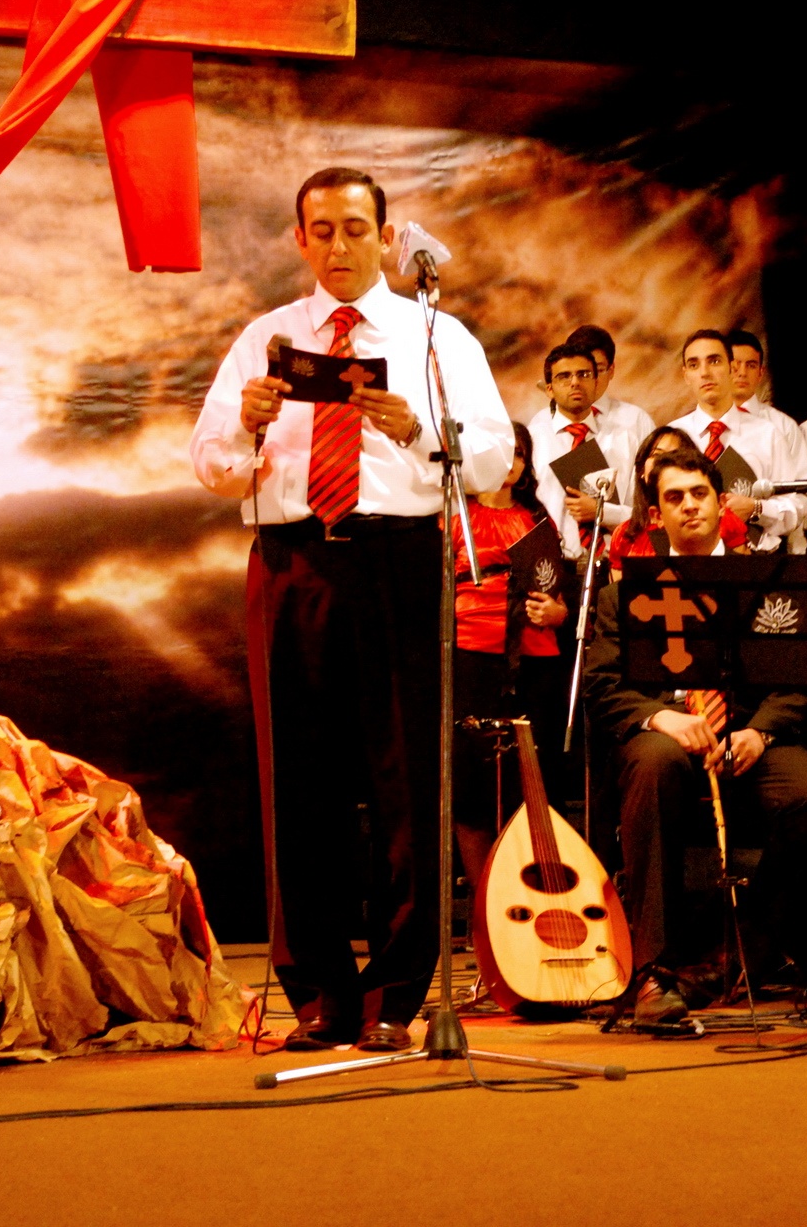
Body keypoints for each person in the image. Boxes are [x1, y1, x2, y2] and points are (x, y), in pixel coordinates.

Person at [189, 167, 513, 1053]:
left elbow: (493, 458)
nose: (339, 245)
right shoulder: (265, 337)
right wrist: (247, 423)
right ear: (300, 239)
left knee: (406, 776)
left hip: (398, 560)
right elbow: (210, 462)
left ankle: (396, 994)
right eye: (322, 229)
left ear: (384, 235)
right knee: (299, 781)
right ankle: (320, 991)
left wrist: (416, 428)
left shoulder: (436, 336)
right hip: (292, 562)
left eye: (356, 227)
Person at [583, 445, 807, 1021]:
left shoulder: (768, 581)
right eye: (674, 497)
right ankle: (653, 971)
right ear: (656, 515)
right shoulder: (623, 594)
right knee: (654, 762)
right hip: (667, 737)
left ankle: (749, 946)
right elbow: (601, 684)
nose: (689, 506)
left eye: (699, 494)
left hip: (745, 739)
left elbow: (802, 678)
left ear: (721, 503)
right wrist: (662, 717)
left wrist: (761, 733)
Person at [452, 421, 569, 893]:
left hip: (536, 659)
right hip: (472, 656)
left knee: (534, 779)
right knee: (473, 783)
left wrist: (557, 613)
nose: (507, 463)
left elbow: (562, 599)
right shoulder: (454, 517)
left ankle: (534, 892)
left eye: (516, 453)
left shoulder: (539, 521)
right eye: (498, 453)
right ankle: (486, 898)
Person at [667, 329, 807, 551]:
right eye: (694, 365)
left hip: (754, 561)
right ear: (686, 375)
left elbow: (797, 505)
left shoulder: (767, 434)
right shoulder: (672, 436)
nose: (705, 373)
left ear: (731, 368)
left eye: (714, 361)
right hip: (687, 561)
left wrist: (757, 509)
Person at [525, 342, 638, 560]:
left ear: (596, 383)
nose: (575, 382)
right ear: (549, 389)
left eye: (584, 374)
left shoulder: (625, 440)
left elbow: (644, 515)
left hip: (613, 563)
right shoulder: (533, 441)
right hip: (552, 564)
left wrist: (603, 512)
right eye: (564, 376)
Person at [608, 426, 750, 574]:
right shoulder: (624, 533)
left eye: (675, 455)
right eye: (657, 455)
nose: (689, 506)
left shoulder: (722, 520)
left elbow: (742, 572)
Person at [566, 323, 655, 447]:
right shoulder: (542, 425)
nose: (592, 379)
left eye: (599, 370)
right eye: (583, 372)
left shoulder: (637, 421)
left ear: (611, 370)